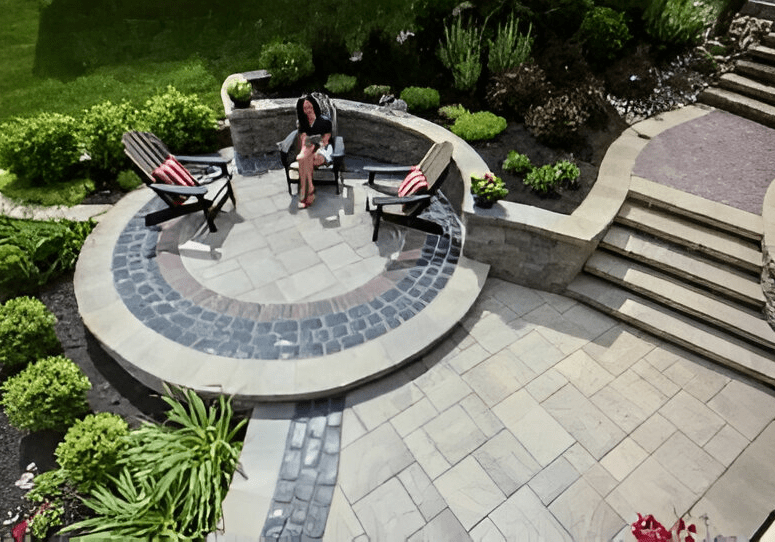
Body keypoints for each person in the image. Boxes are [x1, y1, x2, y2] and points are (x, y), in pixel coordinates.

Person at [295, 95, 332, 209]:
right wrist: (309, 149)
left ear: (314, 106)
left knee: (303, 160)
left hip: (324, 149)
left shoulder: (324, 121)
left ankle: (305, 193)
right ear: (302, 110)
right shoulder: (303, 123)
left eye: (310, 107)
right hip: (309, 149)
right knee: (304, 158)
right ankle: (310, 190)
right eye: (305, 108)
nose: (308, 110)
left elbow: (325, 141)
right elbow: (303, 144)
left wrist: (316, 149)